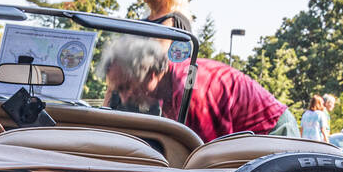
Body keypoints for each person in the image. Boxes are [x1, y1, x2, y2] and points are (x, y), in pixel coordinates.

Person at [97, 35, 298, 142]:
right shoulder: (168, 88)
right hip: (252, 138)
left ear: (148, 72)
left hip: (274, 133)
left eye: (125, 87)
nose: (123, 98)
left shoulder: (192, 92)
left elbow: (210, 159)